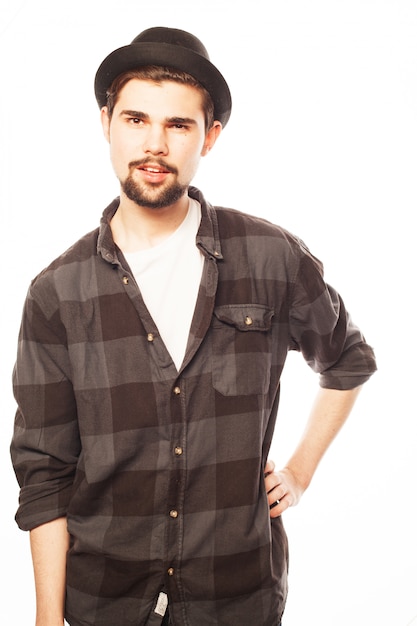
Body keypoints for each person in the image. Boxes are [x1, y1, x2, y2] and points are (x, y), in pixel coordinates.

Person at [10, 26, 376, 626]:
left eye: (178, 125)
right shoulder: (57, 294)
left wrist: (299, 472)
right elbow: (44, 475)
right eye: (136, 120)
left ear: (210, 136)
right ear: (106, 123)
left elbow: (348, 361)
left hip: (237, 595)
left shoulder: (271, 258)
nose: (154, 144)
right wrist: (48, 621)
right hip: (105, 601)